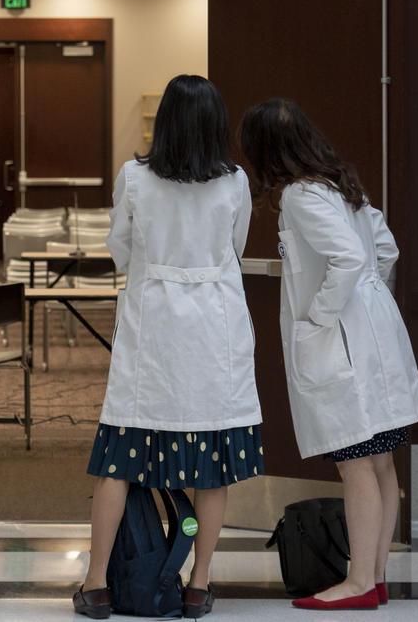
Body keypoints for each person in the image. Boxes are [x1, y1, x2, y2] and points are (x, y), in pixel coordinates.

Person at [73, 75, 263, 620]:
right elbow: (236, 247)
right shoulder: (234, 182)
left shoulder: (134, 177)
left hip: (152, 329)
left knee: (120, 456)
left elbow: (121, 251)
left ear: (165, 124)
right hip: (214, 334)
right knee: (211, 468)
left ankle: (96, 585)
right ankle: (199, 585)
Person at [240, 98, 418, 611]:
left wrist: (319, 316)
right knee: (382, 459)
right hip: (375, 331)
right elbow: (383, 251)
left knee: (355, 462)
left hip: (342, 336)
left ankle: (358, 582)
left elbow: (345, 259)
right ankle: (376, 574)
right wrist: (369, 299)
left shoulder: (301, 196)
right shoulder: (343, 184)